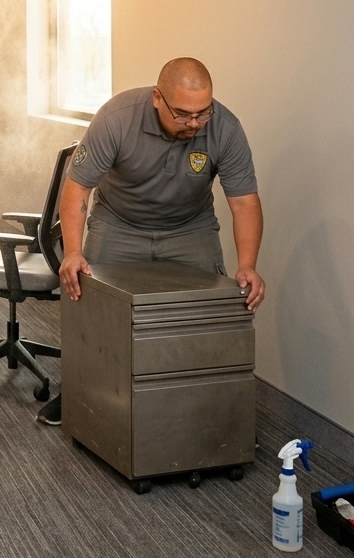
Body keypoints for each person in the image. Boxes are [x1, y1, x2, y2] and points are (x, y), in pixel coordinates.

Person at [38, 57, 265, 423]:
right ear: (157, 98)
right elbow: (78, 188)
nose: (193, 124)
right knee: (96, 311)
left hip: (190, 227)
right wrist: (74, 252)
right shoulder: (117, 119)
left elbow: (243, 202)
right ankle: (81, 394)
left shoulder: (225, 128)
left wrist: (247, 265)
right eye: (182, 114)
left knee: (207, 313)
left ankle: (210, 410)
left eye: (201, 113)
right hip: (119, 223)